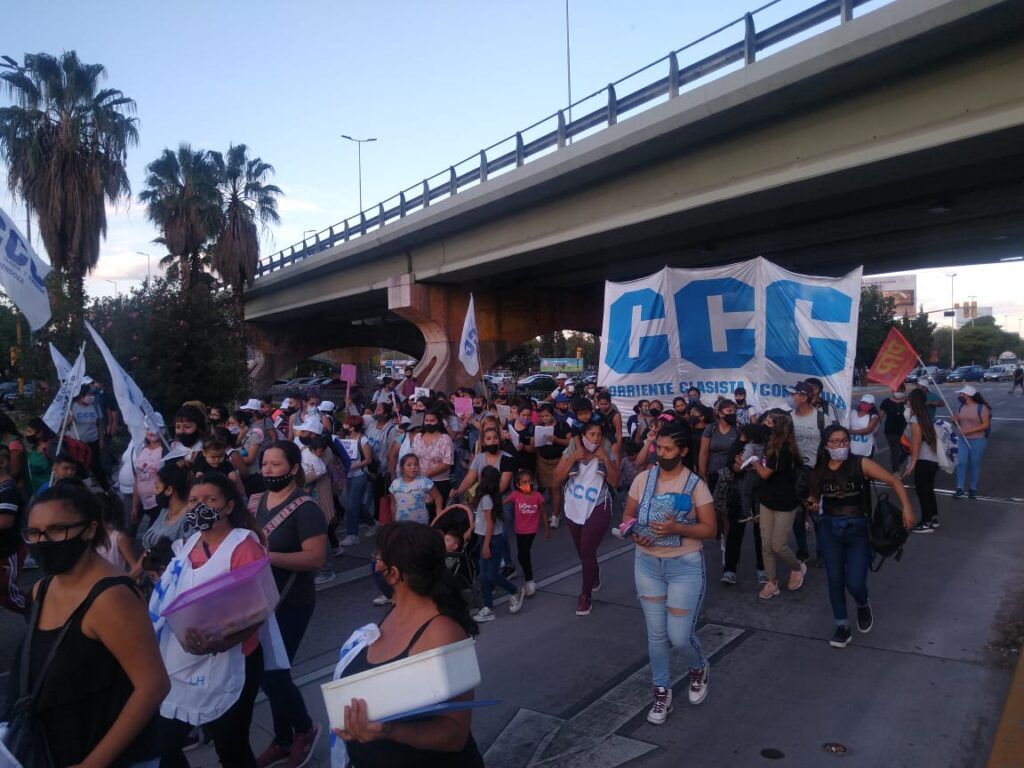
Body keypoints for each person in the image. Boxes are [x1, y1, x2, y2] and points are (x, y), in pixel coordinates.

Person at [3, 481, 168, 767]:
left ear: (90, 529)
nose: (43, 541)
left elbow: (152, 686)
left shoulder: (111, 598)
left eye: (58, 529)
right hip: (50, 751)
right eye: (34, 532)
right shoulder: (41, 591)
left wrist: (92, 764)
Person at [334, 521, 485, 767]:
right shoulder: (396, 611)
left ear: (393, 574)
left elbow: (455, 733)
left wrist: (389, 731)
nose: (375, 565)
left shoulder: (445, 633)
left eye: (378, 557)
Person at [154, 473, 277, 768]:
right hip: (186, 660)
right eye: (194, 501)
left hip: (234, 658)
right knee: (163, 743)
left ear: (229, 506)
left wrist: (224, 641)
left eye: (210, 500)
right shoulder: (189, 544)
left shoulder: (243, 547)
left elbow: (259, 608)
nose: (200, 507)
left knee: (231, 746)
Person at [620, 420, 716, 724]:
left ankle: (698, 667)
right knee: (656, 635)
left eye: (668, 449)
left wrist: (678, 528)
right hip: (647, 564)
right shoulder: (643, 479)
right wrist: (634, 533)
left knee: (679, 636)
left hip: (684, 566)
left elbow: (710, 529)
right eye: (658, 447)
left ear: (683, 451)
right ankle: (661, 691)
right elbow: (627, 516)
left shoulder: (695, 485)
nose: (660, 454)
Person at [251, 440, 327, 767]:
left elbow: (315, 558)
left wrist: (268, 557)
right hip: (257, 601)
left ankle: (304, 729)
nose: (268, 470)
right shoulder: (255, 502)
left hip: (291, 602)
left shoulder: (306, 508)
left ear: (293, 468)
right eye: (264, 464)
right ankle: (282, 740)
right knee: (265, 673)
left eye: (275, 464)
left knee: (275, 674)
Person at [808, 425, 915, 648]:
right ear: (826, 445)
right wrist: (812, 503)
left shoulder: (860, 463)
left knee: (855, 583)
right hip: (829, 530)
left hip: (857, 531)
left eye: (844, 441)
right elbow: (813, 498)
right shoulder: (820, 469)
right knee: (835, 580)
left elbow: (894, 481)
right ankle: (841, 626)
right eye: (835, 442)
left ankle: (862, 603)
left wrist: (907, 508)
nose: (840, 446)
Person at [554, 419, 620, 617]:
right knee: (583, 551)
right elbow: (556, 478)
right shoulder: (573, 448)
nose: (596, 438)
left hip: (598, 505)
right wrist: (573, 458)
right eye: (592, 434)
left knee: (586, 550)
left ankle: (585, 596)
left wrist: (605, 459)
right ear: (583, 436)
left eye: (599, 434)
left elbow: (615, 481)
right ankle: (594, 571)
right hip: (574, 504)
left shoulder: (606, 449)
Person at [751, 411, 805, 599]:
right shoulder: (772, 445)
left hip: (785, 502)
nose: (764, 424)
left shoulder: (783, 450)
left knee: (778, 545)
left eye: (768, 422)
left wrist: (754, 462)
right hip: (768, 499)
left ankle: (797, 567)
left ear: (778, 428)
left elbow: (765, 473)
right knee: (766, 544)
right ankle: (771, 581)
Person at [471, 466, 525, 623]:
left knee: (491, 574)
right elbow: (482, 519)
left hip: (491, 540)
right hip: (487, 538)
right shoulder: (490, 496)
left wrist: (486, 545)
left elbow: (490, 523)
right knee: (484, 575)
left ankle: (514, 591)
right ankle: (488, 606)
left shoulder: (486, 498)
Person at [133, 462, 193, 581]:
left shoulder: (189, 519)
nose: (154, 492)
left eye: (157, 487)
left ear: (169, 490)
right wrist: (132, 575)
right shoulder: (165, 511)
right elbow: (148, 550)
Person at [788, 381, 826, 563]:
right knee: (797, 516)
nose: (793, 397)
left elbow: (828, 445)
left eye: (797, 394)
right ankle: (802, 551)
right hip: (795, 472)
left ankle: (822, 552)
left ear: (805, 397)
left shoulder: (821, 418)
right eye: (793, 394)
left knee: (816, 514)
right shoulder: (789, 418)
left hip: (815, 473)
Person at [507, 469, 549, 596]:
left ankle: (529, 580)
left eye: (529, 481)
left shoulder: (537, 496)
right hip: (519, 530)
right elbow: (503, 502)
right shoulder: (515, 495)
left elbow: (544, 513)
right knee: (521, 555)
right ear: (518, 485)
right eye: (524, 482)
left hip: (531, 530)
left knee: (524, 553)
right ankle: (528, 576)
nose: (527, 484)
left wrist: (546, 529)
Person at [904, 388, 941, 533]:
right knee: (929, 490)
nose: (907, 402)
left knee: (922, 491)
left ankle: (926, 522)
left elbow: (916, 442)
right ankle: (933, 518)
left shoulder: (915, 420)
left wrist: (912, 462)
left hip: (923, 459)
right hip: (932, 459)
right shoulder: (926, 416)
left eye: (908, 400)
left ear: (913, 402)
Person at [340, 415, 376, 546]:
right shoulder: (346, 439)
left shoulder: (363, 440)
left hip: (359, 475)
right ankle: (372, 524)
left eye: (346, 424)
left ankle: (352, 535)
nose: (344, 426)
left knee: (351, 505)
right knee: (356, 503)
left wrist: (353, 466)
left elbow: (368, 460)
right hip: (349, 476)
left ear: (352, 427)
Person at [951, 384, 992, 499]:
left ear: (968, 395)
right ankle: (960, 488)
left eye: (962, 394)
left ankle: (973, 488)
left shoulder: (982, 408)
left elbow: (985, 425)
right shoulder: (961, 407)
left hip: (978, 440)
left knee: (974, 464)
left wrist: (968, 431)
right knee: (961, 462)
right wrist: (955, 421)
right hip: (962, 440)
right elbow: (959, 425)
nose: (960, 395)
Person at [535, 403, 571, 529]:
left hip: (558, 461)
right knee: (549, 488)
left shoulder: (562, 425)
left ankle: (555, 515)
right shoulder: (539, 427)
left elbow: (570, 441)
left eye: (547, 416)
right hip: (544, 461)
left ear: (552, 414)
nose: (544, 418)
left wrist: (556, 440)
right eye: (542, 416)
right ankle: (556, 512)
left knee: (556, 488)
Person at [66, 387, 107, 489]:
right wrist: (68, 421)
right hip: (76, 443)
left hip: (93, 441)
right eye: (89, 394)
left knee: (96, 466)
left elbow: (100, 423)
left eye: (92, 394)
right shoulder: (71, 407)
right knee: (78, 467)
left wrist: (101, 440)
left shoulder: (95, 406)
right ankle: (80, 488)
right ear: (81, 396)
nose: (91, 397)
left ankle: (106, 489)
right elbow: (62, 427)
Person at [0, 446, 26, 614]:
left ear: (2, 463)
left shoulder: (7, 489)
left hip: (8, 551)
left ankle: (42, 616)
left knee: (9, 594)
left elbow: (4, 522)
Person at [412, 408, 456, 504]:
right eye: (426, 420)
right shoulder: (417, 437)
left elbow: (447, 462)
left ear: (438, 422)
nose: (429, 423)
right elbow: (413, 458)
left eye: (432, 421)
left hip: (439, 483)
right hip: (419, 482)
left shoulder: (445, 439)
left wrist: (427, 473)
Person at [698, 399, 739, 491]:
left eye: (734, 411)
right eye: (729, 411)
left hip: (731, 475)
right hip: (713, 474)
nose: (733, 414)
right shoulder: (711, 428)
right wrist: (702, 474)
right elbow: (704, 452)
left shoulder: (738, 430)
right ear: (720, 413)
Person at [390, 454, 443, 525]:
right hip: (401, 525)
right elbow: (393, 505)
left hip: (421, 524)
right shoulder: (395, 484)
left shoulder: (424, 481)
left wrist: (438, 509)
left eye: (416, 464)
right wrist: (394, 522)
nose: (413, 467)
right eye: (409, 465)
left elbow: (437, 497)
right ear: (402, 468)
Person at [21, 418, 55, 496]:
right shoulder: (33, 449)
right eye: (26, 431)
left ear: (39, 433)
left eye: (29, 432)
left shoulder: (50, 449)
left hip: (50, 492)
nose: (26, 434)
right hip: (36, 492)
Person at [878, 388, 909, 473]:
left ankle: (896, 464)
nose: (899, 393)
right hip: (891, 430)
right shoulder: (886, 402)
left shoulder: (907, 401)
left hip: (905, 431)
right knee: (895, 451)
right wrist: (875, 427)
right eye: (897, 391)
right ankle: (896, 471)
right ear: (893, 391)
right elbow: (881, 416)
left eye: (901, 391)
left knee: (906, 450)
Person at [847, 393, 879, 458]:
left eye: (867, 403)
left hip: (866, 447)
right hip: (852, 445)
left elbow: (868, 430)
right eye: (862, 402)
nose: (864, 404)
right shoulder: (853, 413)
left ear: (872, 405)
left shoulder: (874, 417)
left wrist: (851, 431)